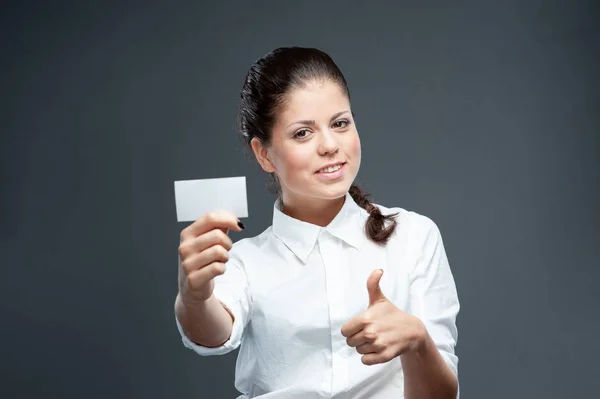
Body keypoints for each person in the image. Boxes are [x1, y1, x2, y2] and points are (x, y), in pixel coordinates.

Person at [174, 47, 460, 399]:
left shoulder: (415, 237)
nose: (329, 145)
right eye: (302, 133)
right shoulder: (245, 262)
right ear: (264, 154)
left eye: (340, 123)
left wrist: (416, 340)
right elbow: (212, 334)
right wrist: (195, 296)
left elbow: (441, 395)